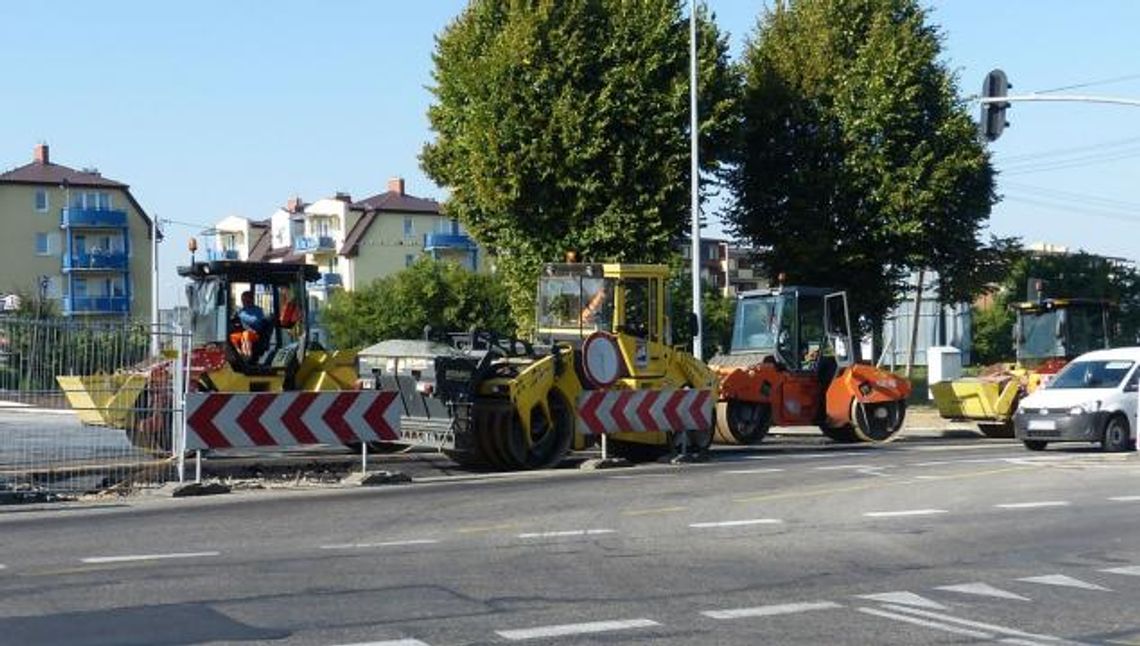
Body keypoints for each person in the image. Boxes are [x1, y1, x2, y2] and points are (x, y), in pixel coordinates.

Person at [230, 290, 268, 358]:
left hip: (255, 333)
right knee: (232, 337)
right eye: (243, 300)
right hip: (242, 332)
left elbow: (254, 321)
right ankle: (239, 354)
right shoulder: (241, 310)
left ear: (251, 299)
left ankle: (248, 355)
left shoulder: (258, 310)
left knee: (246, 334)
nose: (244, 302)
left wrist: (241, 315)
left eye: (246, 300)